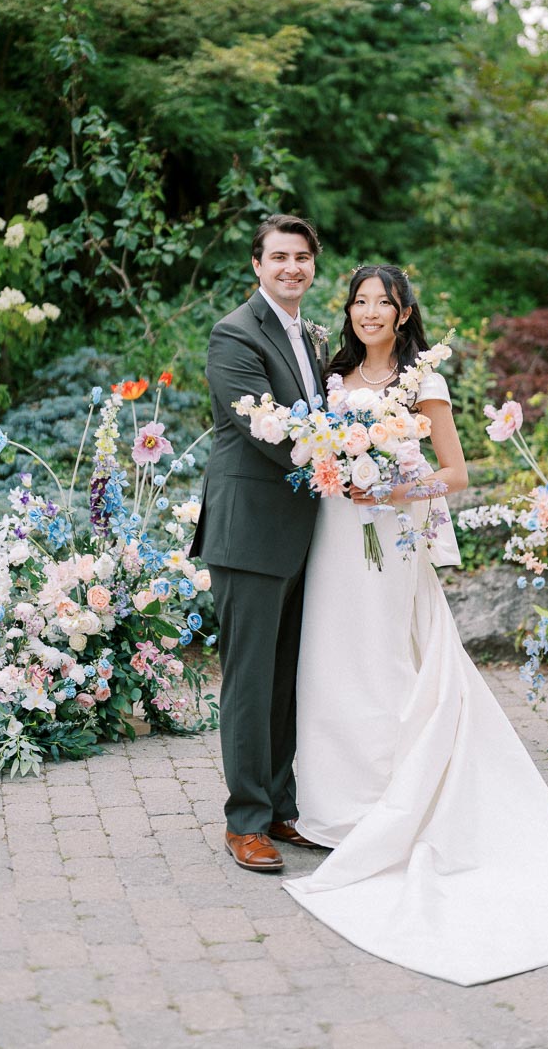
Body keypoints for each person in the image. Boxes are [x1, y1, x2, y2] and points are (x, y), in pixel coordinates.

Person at [283, 265, 548, 985]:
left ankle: (389, 806)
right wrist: (335, 468)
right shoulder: (334, 377)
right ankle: (331, 812)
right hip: (336, 532)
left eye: (380, 303)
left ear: (403, 311)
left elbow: (453, 472)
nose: (367, 313)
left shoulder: (423, 380)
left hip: (390, 536)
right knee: (330, 660)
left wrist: (391, 484)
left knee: (386, 662)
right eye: (358, 302)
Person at [191, 214, 328, 872]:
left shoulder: (315, 336)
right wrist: (341, 458)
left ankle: (279, 807)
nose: (291, 268)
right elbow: (265, 428)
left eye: (302, 257)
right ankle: (244, 821)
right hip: (249, 533)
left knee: (284, 678)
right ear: (257, 264)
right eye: (279, 256)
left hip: (304, 534)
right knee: (249, 681)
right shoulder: (234, 334)